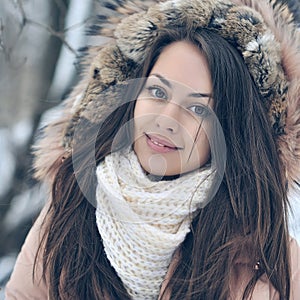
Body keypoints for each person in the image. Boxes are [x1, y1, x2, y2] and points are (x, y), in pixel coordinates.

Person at [5, 0, 300, 299]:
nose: (167, 120)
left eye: (198, 108)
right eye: (158, 92)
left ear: (231, 130)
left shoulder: (272, 260)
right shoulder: (70, 207)